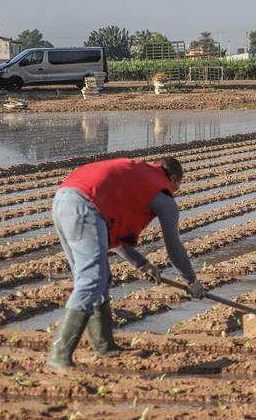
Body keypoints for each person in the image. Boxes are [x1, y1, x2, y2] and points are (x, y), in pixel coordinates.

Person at [46, 157, 206, 371]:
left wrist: (142, 264)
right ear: (174, 179)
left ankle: (105, 346)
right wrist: (191, 281)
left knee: (100, 279)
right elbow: (174, 246)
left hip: (63, 200)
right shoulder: (162, 193)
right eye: (178, 186)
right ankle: (59, 356)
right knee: (91, 281)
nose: (176, 190)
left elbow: (114, 237)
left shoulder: (137, 176)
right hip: (85, 207)